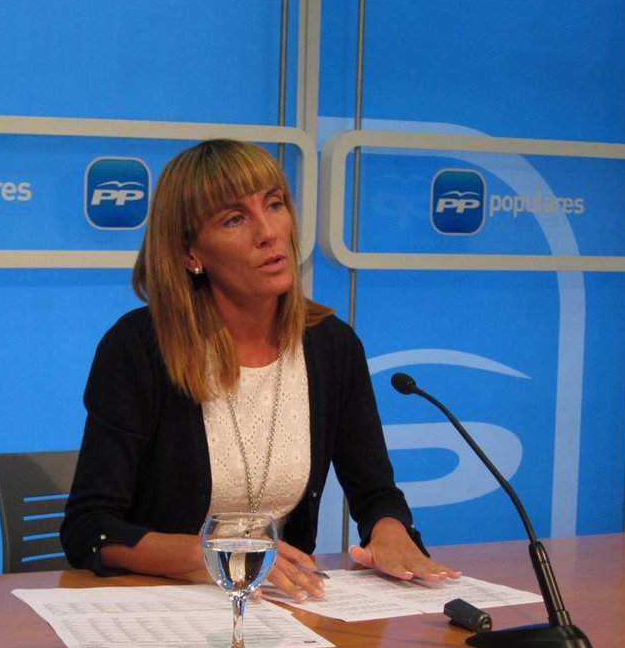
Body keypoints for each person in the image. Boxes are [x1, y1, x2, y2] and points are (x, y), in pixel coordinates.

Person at [60, 138, 457, 600]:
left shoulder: (332, 346)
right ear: (191, 254)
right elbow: (90, 529)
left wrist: (389, 531)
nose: (268, 232)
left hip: (286, 604)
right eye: (234, 219)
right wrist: (211, 554)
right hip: (167, 609)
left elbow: (376, 494)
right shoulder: (140, 348)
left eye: (274, 204)